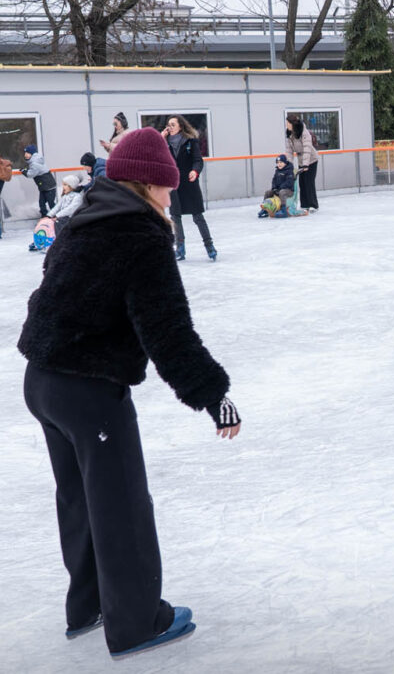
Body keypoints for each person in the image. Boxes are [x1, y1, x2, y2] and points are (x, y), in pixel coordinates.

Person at [16, 126, 240, 657]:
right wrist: (213, 394)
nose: (171, 196)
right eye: (165, 187)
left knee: (79, 499)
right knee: (122, 504)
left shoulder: (83, 219)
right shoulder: (141, 236)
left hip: (41, 382)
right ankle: (137, 622)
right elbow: (167, 331)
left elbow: (45, 292)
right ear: (145, 185)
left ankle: (87, 606)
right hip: (88, 388)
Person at [164, 115, 215, 261]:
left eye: (173, 124)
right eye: (169, 124)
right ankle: (180, 249)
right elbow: (155, 155)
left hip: (189, 183)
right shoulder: (165, 143)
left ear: (181, 126)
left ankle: (209, 246)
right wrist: (161, 139)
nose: (170, 127)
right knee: (175, 217)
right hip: (174, 185)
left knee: (198, 216)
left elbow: (198, 160)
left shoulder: (191, 142)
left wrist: (195, 171)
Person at [30, 174, 88, 252]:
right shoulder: (65, 196)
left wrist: (57, 216)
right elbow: (57, 207)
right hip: (63, 217)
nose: (63, 187)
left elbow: (70, 209)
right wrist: (48, 215)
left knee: (57, 223)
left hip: (72, 218)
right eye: (63, 184)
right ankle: (41, 241)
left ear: (72, 186)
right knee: (46, 222)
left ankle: (58, 242)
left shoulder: (77, 197)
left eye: (65, 185)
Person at [285, 116, 319, 212]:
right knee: (302, 183)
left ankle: (313, 205)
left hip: (311, 159)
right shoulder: (289, 133)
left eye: (288, 123)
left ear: (293, 124)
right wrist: (289, 165)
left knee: (309, 182)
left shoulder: (304, 132)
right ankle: (305, 205)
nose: (286, 125)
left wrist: (306, 165)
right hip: (302, 160)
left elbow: (307, 148)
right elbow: (289, 151)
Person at [25, 144, 56, 218]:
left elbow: (30, 174)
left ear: (32, 154)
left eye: (27, 153)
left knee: (51, 203)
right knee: (42, 203)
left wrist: (24, 171)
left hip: (48, 186)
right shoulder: (35, 160)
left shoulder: (35, 162)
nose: (25, 155)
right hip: (44, 186)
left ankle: (56, 217)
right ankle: (44, 216)